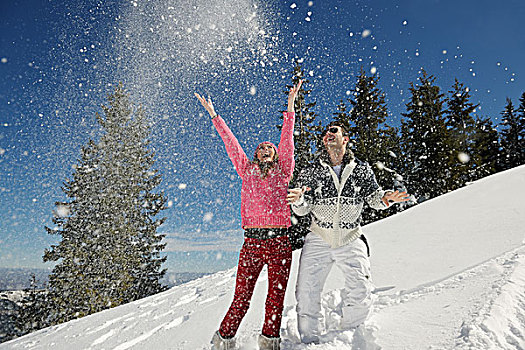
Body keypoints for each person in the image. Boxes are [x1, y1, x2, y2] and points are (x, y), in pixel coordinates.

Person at [195, 80, 302, 350]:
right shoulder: (247, 170)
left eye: (270, 149)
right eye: (261, 149)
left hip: (280, 242)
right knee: (242, 295)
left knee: (275, 297)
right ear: (255, 156)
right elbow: (231, 144)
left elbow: (287, 139)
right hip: (252, 243)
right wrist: (214, 115)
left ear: (277, 156)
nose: (265, 150)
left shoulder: (284, 171)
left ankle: (269, 341)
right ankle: (224, 339)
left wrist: (290, 106)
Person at [286, 121, 410, 344]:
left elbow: (374, 198)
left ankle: (352, 335)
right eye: (325, 134)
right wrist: (299, 200)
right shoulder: (312, 170)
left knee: (360, 287)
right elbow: (304, 208)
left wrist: (386, 199)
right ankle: (310, 341)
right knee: (306, 292)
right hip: (319, 237)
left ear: (345, 139)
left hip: (350, 236)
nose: (328, 135)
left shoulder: (360, 168)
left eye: (333, 131)